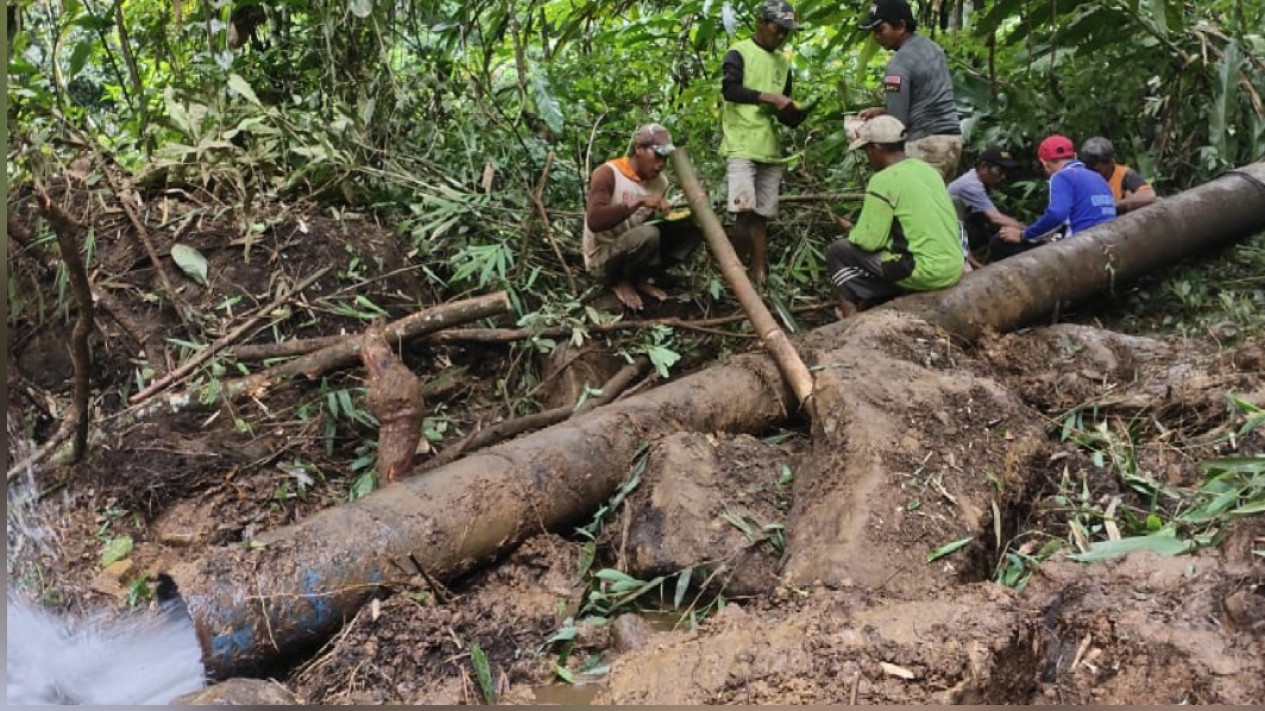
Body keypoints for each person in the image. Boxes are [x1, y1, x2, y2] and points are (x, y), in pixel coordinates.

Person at [825, 116, 963, 319]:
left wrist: (851, 230)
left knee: (838, 251)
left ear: (876, 148)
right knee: (890, 252)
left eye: (867, 150)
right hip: (953, 267)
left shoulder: (883, 180)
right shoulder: (928, 171)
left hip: (925, 272)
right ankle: (880, 298)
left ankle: (849, 317)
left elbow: (869, 241)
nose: (867, 156)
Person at [720, 0, 809, 286]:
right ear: (762, 23)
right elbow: (730, 90)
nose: (781, 35)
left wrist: (795, 114)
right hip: (742, 143)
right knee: (743, 211)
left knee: (761, 216)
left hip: (770, 148)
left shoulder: (783, 63)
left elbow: (783, 112)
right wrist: (771, 97)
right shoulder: (739, 52)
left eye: (787, 31)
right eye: (777, 28)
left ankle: (760, 274)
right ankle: (736, 276)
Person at [582, 123, 702, 310]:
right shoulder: (608, 173)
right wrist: (638, 201)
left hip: (633, 250)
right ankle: (617, 280)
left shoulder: (660, 182)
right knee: (648, 235)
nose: (660, 164)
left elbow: (650, 223)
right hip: (602, 258)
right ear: (639, 149)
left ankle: (639, 278)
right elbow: (594, 221)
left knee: (692, 232)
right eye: (657, 156)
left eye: (665, 158)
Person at [856, 0, 962, 181]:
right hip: (952, 141)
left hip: (925, 146)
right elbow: (924, 97)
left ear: (901, 26)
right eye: (873, 32)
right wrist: (882, 110)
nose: (876, 37)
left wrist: (864, 134)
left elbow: (896, 123)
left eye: (880, 30)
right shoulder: (933, 48)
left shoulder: (897, 66)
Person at [993, 134, 1116, 261]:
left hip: (1081, 246)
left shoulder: (1062, 176)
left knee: (999, 243)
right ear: (1074, 156)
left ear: (1045, 164)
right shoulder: (1098, 177)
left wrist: (1024, 235)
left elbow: (1057, 214)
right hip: (1107, 242)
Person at [947, 145, 1025, 266]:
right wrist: (1028, 230)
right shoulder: (971, 185)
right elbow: (995, 217)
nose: (1003, 176)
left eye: (1005, 172)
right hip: (951, 231)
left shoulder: (980, 182)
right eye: (999, 171)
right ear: (983, 167)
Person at [1080, 136, 1158, 215]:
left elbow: (1149, 196)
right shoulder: (1082, 178)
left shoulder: (1125, 175)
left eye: (1097, 170)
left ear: (1110, 163)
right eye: (1089, 169)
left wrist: (1115, 205)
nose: (1093, 173)